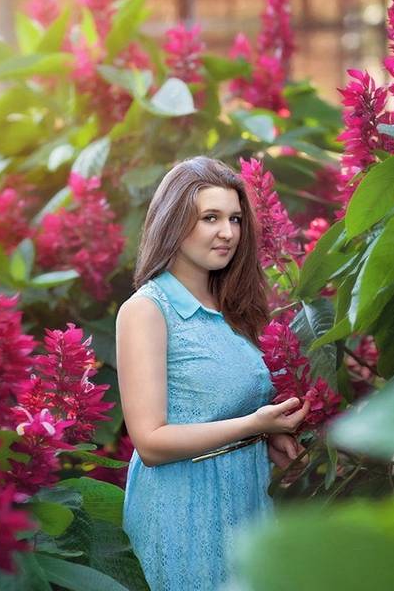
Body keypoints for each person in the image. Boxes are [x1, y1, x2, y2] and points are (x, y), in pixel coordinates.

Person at [115, 156, 308, 591]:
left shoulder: (233, 310)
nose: (228, 232)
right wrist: (254, 424)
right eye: (210, 218)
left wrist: (266, 433)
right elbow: (150, 442)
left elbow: (225, 403)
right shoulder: (147, 311)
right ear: (173, 223)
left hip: (246, 499)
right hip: (182, 508)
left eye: (235, 218)